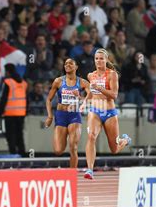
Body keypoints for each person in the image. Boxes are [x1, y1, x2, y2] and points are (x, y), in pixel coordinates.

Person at [80, 49, 131, 179]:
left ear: (106, 60)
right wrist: (84, 103)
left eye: (101, 58)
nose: (99, 61)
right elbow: (90, 92)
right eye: (96, 58)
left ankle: (125, 140)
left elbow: (114, 95)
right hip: (95, 111)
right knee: (91, 136)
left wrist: (101, 88)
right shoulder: (91, 75)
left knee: (114, 149)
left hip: (109, 113)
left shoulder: (112, 75)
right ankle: (89, 169)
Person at [44, 58, 90, 168]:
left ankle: (72, 174)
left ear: (76, 67)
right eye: (65, 64)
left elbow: (91, 98)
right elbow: (48, 100)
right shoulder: (58, 81)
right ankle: (63, 138)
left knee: (73, 146)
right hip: (61, 115)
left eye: (70, 63)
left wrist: (79, 97)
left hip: (74, 115)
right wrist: (50, 116)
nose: (67, 65)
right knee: (58, 150)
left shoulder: (83, 82)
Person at [0, 63, 28, 156]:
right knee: (20, 135)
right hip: (21, 113)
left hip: (10, 113)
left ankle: (13, 155)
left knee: (11, 136)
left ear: (7, 71)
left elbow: (4, 98)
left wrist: (0, 111)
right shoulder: (23, 83)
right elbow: (27, 99)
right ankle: (22, 154)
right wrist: (26, 111)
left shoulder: (8, 82)